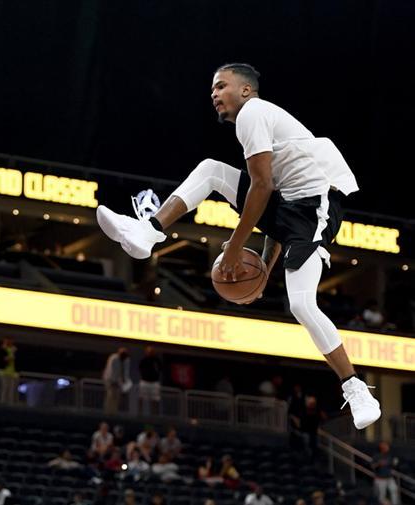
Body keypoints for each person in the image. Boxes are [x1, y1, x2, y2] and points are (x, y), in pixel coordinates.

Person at [96, 62, 381, 430]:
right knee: (212, 169)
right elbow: (274, 213)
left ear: (245, 90)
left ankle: (355, 387)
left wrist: (234, 248)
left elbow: (261, 188)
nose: (214, 94)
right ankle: (148, 232)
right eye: (211, 89)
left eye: (220, 86)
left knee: (301, 302)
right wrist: (262, 268)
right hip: (292, 205)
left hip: (317, 205)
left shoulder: (254, 113)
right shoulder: (258, 125)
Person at [102, 347, 131, 414]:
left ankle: (114, 412)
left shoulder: (127, 360)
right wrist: (113, 382)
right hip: (109, 379)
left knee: (117, 396)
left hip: (118, 380)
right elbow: (111, 371)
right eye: (122, 355)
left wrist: (125, 384)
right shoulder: (114, 358)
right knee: (110, 395)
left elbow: (126, 372)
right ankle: (107, 411)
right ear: (119, 354)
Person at [138, 346, 162, 415]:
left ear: (153, 352)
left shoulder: (157, 360)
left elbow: (160, 369)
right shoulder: (143, 360)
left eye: (151, 352)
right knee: (141, 398)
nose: (150, 353)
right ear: (146, 352)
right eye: (148, 352)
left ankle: (155, 416)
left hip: (154, 383)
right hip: (144, 382)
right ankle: (140, 415)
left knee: (155, 400)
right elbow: (140, 369)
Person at [0, 338, 18, 404]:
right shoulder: (2, 349)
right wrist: (11, 355)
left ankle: (10, 403)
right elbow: (5, 359)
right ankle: (3, 403)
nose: (9, 342)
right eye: (7, 341)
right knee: (5, 388)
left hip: (13, 373)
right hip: (4, 372)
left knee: (12, 389)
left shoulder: (15, 349)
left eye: (10, 340)